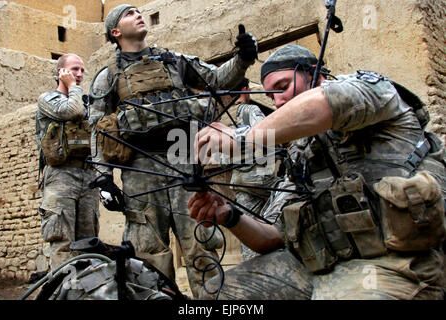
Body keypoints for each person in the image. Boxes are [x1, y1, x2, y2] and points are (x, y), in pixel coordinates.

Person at [189, 44, 446, 299]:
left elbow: (326, 103)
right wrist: (230, 215)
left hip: (397, 267)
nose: (278, 101)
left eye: (283, 87)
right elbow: (273, 236)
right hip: (322, 268)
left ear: (315, 74)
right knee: (218, 294)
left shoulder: (373, 91)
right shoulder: (300, 153)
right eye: (271, 96)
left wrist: (243, 137)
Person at [88, 4, 258, 298]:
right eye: (129, 14)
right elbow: (99, 127)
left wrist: (242, 58)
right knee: (148, 251)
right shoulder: (108, 76)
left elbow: (217, 79)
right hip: (140, 168)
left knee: (200, 242)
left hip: (184, 159)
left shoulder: (173, 60)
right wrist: (104, 179)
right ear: (115, 32)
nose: (138, 14)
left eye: (139, 11)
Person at [35, 53, 100, 270]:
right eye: (74, 69)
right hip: (61, 175)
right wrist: (72, 86)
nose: (79, 74)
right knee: (62, 242)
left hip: (88, 175)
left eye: (82, 70)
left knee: (88, 243)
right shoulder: (48, 99)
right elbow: (71, 110)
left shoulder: (86, 103)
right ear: (60, 72)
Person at [220, 77, 281, 261]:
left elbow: (221, 158)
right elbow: (268, 135)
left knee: (250, 229)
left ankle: (252, 264)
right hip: (263, 179)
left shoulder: (222, 118)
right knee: (277, 223)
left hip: (239, 180)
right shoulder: (251, 110)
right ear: (245, 89)